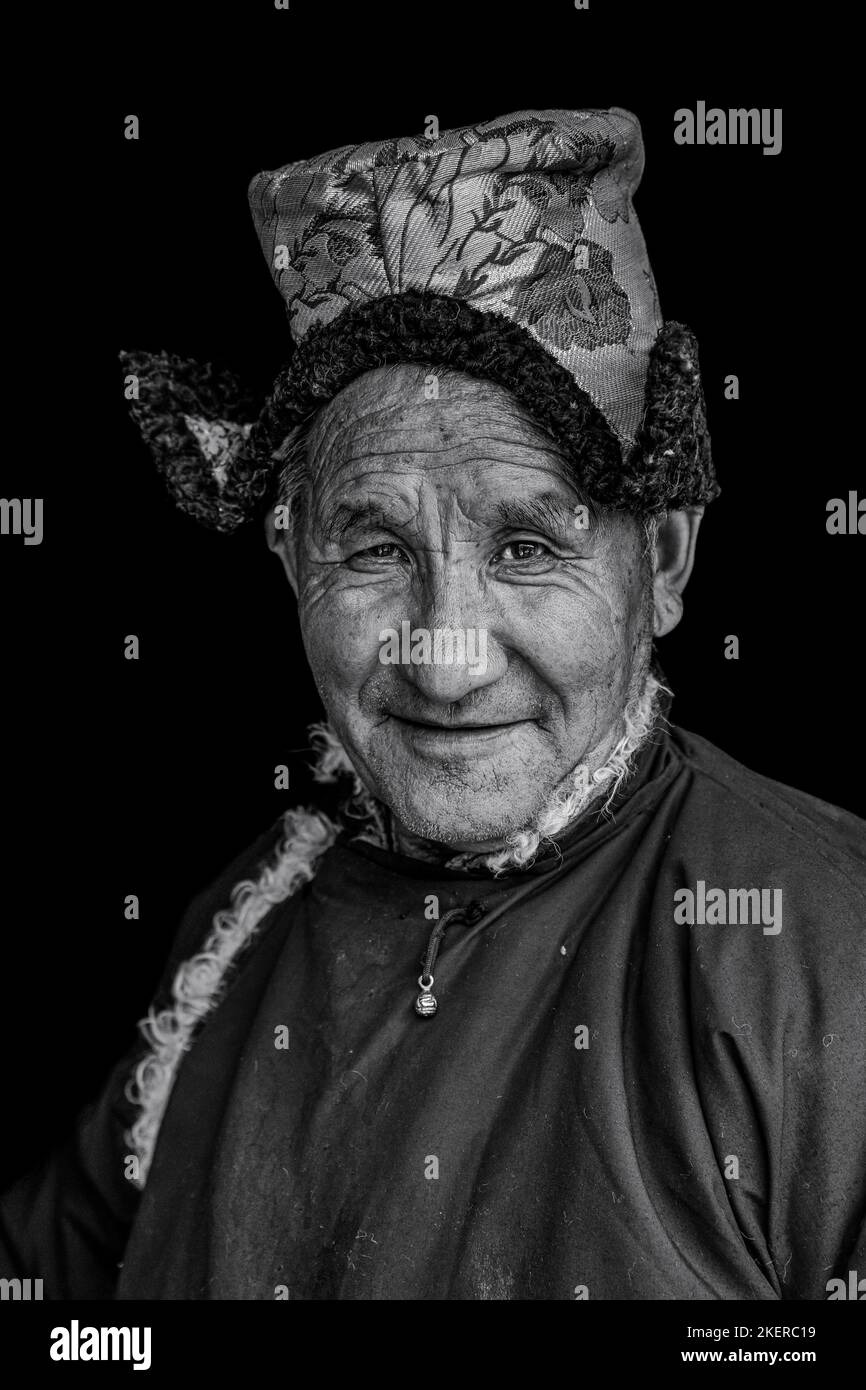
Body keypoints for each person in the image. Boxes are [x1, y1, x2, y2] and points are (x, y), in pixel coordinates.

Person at [2, 107, 864, 1301]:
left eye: (522, 546)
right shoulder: (239, 925)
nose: (445, 659)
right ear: (290, 559)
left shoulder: (828, 947)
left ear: (661, 562)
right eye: (373, 550)